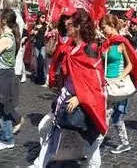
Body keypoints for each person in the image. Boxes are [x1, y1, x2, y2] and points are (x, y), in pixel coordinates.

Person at [30, 9, 108, 168]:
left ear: (78, 27)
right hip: (65, 100)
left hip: (85, 105)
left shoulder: (89, 50)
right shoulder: (70, 47)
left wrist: (80, 97)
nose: (66, 25)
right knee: (47, 129)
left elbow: (96, 82)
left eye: (71, 24)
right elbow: (67, 73)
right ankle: (40, 163)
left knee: (91, 143)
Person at [100, 14, 137, 154]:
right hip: (108, 85)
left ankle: (94, 145)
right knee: (106, 115)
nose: (103, 30)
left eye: (104, 28)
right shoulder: (107, 43)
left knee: (111, 116)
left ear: (111, 26)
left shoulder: (121, 42)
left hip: (120, 86)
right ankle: (122, 143)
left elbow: (130, 65)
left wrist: (119, 78)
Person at [0, 9, 21, 150]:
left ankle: (8, 138)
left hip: (4, 75)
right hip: (6, 74)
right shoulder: (10, 35)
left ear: (4, 20)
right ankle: (6, 135)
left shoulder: (6, 37)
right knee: (2, 105)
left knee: (4, 106)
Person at [31, 13, 47, 85]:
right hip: (37, 45)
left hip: (43, 45)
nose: (44, 18)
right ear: (39, 18)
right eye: (42, 17)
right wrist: (33, 32)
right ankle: (38, 78)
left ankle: (43, 79)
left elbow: (46, 34)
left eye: (44, 17)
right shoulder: (35, 26)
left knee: (42, 62)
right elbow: (31, 34)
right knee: (38, 62)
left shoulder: (46, 26)